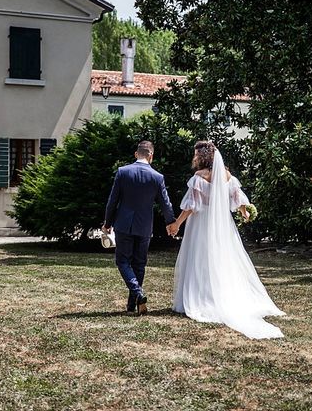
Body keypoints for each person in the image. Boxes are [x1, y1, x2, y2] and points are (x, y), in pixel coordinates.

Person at [167, 141, 285, 339]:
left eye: (196, 154)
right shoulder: (228, 176)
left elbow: (191, 206)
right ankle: (219, 295)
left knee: (200, 259)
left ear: (202, 157)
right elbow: (239, 199)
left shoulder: (199, 177)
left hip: (201, 224)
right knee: (222, 258)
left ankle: (203, 298)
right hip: (222, 225)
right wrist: (245, 213)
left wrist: (177, 224)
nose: (194, 157)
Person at [103, 141, 176, 315]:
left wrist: (107, 222)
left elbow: (113, 201)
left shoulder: (123, 172)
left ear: (136, 154)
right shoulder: (157, 177)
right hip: (144, 226)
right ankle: (131, 305)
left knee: (122, 261)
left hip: (123, 224)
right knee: (139, 264)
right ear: (151, 156)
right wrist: (171, 223)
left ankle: (137, 293)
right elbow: (165, 204)